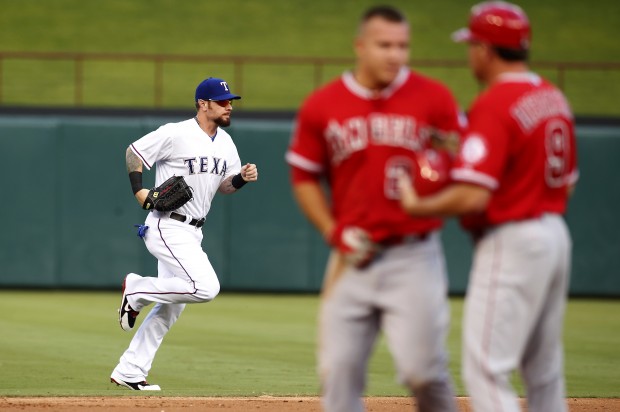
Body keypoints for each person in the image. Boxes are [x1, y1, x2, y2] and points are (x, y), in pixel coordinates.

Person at [397, 2, 578, 411]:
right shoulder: (553, 97)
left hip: (513, 238)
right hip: (555, 236)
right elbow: (565, 182)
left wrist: (417, 205)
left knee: (486, 368)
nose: (470, 54)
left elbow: (473, 195)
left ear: (486, 49)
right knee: (545, 369)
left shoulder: (495, 103)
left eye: (472, 45)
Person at [286, 5, 463, 412]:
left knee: (424, 372)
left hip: (414, 254)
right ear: (360, 46)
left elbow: (459, 164)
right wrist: (333, 231)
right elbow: (304, 177)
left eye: (403, 46)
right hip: (352, 256)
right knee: (337, 374)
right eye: (385, 45)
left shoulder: (434, 97)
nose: (395, 55)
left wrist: (439, 179)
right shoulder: (323, 104)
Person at [110, 77, 258, 391]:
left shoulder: (226, 143)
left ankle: (130, 371)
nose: (229, 106)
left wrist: (242, 179)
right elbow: (133, 153)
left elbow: (224, 187)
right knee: (205, 287)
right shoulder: (176, 133)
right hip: (167, 223)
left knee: (170, 308)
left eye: (230, 101)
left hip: (193, 232)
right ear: (203, 104)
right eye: (222, 101)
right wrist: (139, 191)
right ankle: (136, 290)